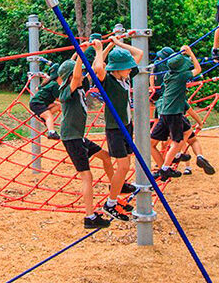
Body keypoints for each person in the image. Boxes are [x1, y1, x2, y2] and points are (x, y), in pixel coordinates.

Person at [58, 49, 113, 229]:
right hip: (71, 138)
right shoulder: (66, 90)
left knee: (105, 156)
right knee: (87, 176)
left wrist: (104, 48)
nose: (82, 75)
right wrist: (80, 55)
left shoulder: (82, 87)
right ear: (69, 76)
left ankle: (116, 187)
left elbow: (94, 69)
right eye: (79, 73)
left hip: (79, 137)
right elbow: (75, 76)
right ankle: (89, 217)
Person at [93, 36, 143, 221]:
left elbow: (139, 53)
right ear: (117, 68)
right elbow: (98, 68)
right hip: (115, 128)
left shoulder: (126, 77)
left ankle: (118, 192)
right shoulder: (107, 81)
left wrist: (117, 43)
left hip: (126, 125)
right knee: (123, 166)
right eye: (126, 66)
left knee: (125, 166)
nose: (130, 68)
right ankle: (110, 203)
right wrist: (101, 50)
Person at [151, 46, 202, 181]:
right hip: (174, 114)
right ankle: (165, 168)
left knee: (186, 132)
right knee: (177, 141)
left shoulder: (168, 75)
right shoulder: (182, 76)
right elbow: (198, 69)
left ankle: (177, 156)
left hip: (164, 112)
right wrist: (190, 53)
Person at [172, 103, 216, 176]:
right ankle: (199, 156)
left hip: (168, 123)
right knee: (193, 141)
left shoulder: (161, 101)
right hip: (181, 120)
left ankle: (175, 162)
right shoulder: (179, 99)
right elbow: (191, 112)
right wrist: (200, 123)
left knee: (179, 144)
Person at [28, 63, 61, 139]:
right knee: (49, 115)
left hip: (42, 102)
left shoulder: (50, 83)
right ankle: (51, 132)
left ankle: (44, 118)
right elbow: (59, 98)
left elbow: (37, 88)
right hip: (37, 103)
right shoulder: (54, 84)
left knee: (58, 106)